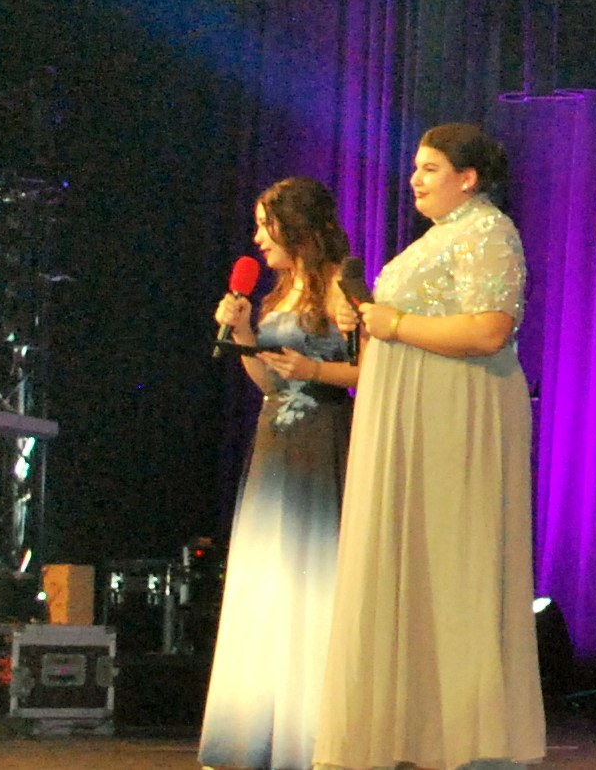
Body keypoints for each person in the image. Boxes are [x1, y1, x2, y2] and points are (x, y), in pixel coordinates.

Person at [315, 124, 540, 770]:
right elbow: (406, 322)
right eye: (416, 166)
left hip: (456, 415)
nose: (415, 178)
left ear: (468, 178)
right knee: (414, 562)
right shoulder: (439, 236)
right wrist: (365, 318)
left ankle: (469, 737)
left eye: (431, 167)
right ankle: (414, 731)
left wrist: (396, 322)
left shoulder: (488, 230)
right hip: (414, 416)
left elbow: (490, 329)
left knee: (453, 561)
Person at [202, 177, 362, 770]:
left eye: (265, 226)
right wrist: (244, 333)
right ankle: (255, 736)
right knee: (269, 579)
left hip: (323, 438)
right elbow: (270, 383)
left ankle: (314, 737)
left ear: (296, 227)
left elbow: (375, 372)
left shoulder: (343, 283)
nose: (257, 239)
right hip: (274, 440)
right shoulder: (276, 292)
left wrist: (314, 372)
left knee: (312, 576)